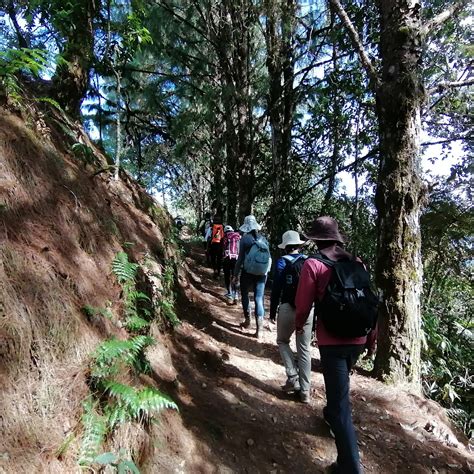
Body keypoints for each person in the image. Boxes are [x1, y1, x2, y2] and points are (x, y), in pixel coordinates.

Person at [295, 216, 376, 474]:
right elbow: (370, 300)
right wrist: (372, 339)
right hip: (359, 339)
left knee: (341, 403)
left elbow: (303, 304)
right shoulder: (357, 262)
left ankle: (350, 467)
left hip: (332, 341)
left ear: (316, 240)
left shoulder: (313, 265)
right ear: (336, 238)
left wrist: (299, 326)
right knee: (339, 391)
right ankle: (330, 415)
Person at [269, 230, 313, 403]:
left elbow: (277, 289)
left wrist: (273, 311)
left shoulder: (282, 262)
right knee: (304, 349)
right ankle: (305, 391)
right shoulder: (309, 262)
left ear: (285, 246)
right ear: (299, 246)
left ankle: (292, 376)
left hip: (288, 307)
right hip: (308, 309)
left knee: (282, 341)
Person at [233, 215, 272, 339]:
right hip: (262, 273)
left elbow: (240, 259)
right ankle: (259, 330)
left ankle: (247, 321)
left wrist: (235, 274)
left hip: (247, 272)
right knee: (259, 298)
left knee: (244, 294)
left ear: (246, 226)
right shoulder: (264, 239)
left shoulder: (245, 239)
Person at [222, 225, 241, 304]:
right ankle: (236, 294)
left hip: (227, 258)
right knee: (235, 276)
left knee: (227, 275)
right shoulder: (238, 237)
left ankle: (230, 294)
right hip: (236, 259)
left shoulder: (225, 237)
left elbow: (223, 248)